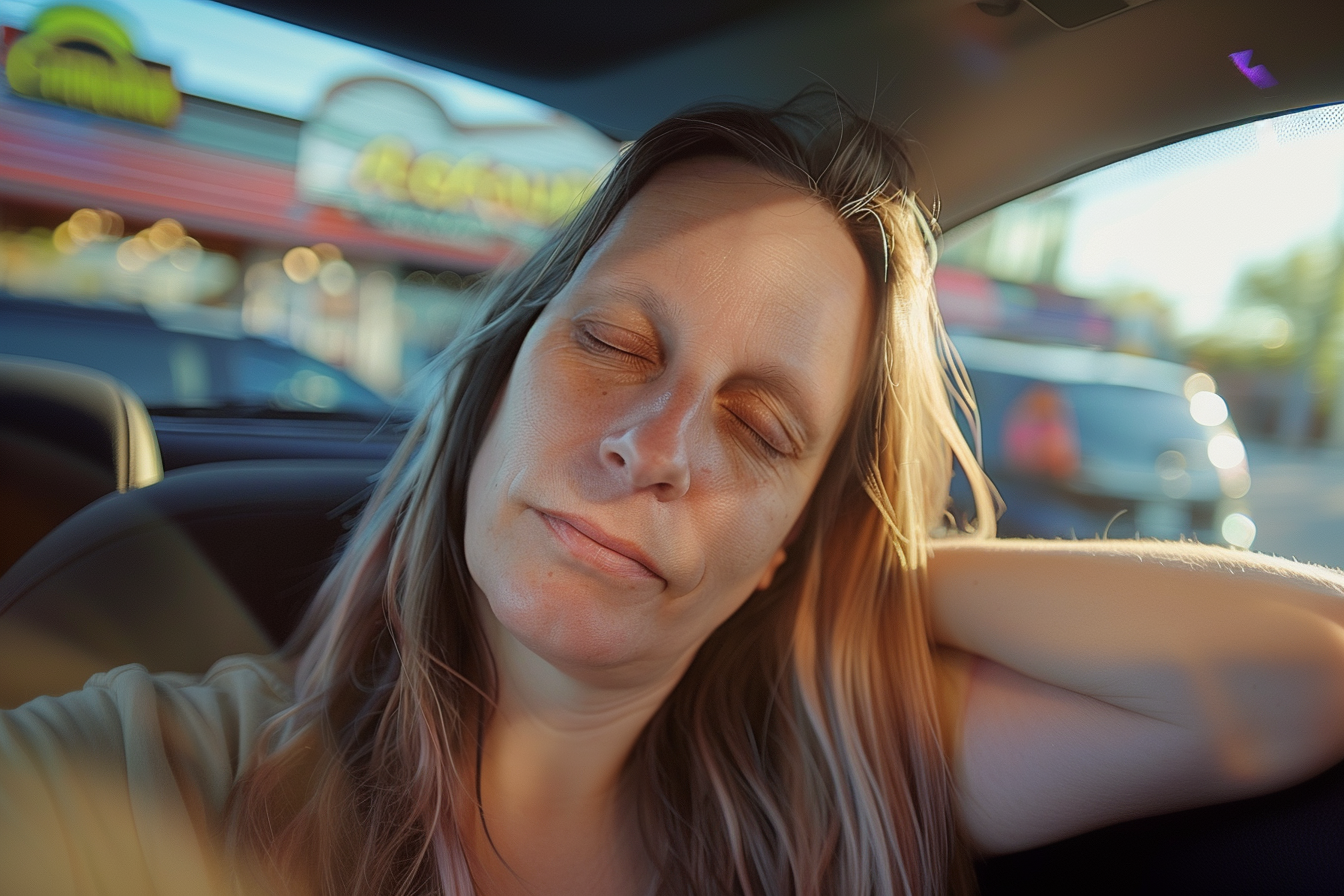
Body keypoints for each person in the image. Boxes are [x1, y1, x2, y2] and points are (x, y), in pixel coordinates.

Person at [3, 92, 1344, 896]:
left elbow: (1305, 674)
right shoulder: (169, 776)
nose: (656, 444)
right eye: (617, 346)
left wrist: (842, 569)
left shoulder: (821, 792)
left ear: (789, 541)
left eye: (760, 431)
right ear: (494, 385)